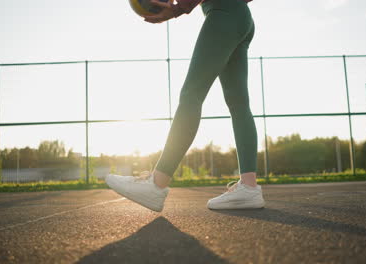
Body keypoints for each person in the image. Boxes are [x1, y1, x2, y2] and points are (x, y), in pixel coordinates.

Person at [106, 0, 265, 212]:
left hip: (224, 13)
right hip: (240, 16)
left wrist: (176, 8)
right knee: (239, 105)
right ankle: (249, 187)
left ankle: (156, 183)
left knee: (192, 95)